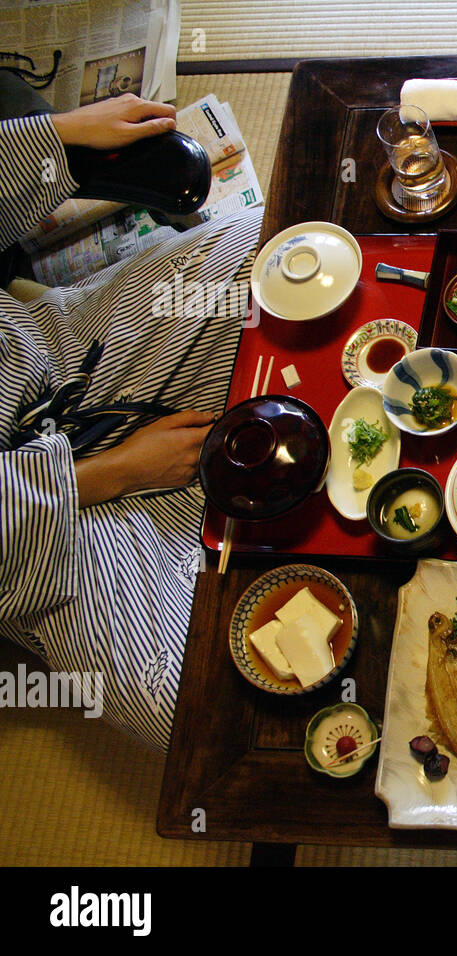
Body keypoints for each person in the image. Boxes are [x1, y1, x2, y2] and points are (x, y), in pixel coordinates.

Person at [0, 93, 263, 750]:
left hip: (55, 354)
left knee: (272, 253)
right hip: (45, 528)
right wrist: (116, 471)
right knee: (200, 703)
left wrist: (60, 136)